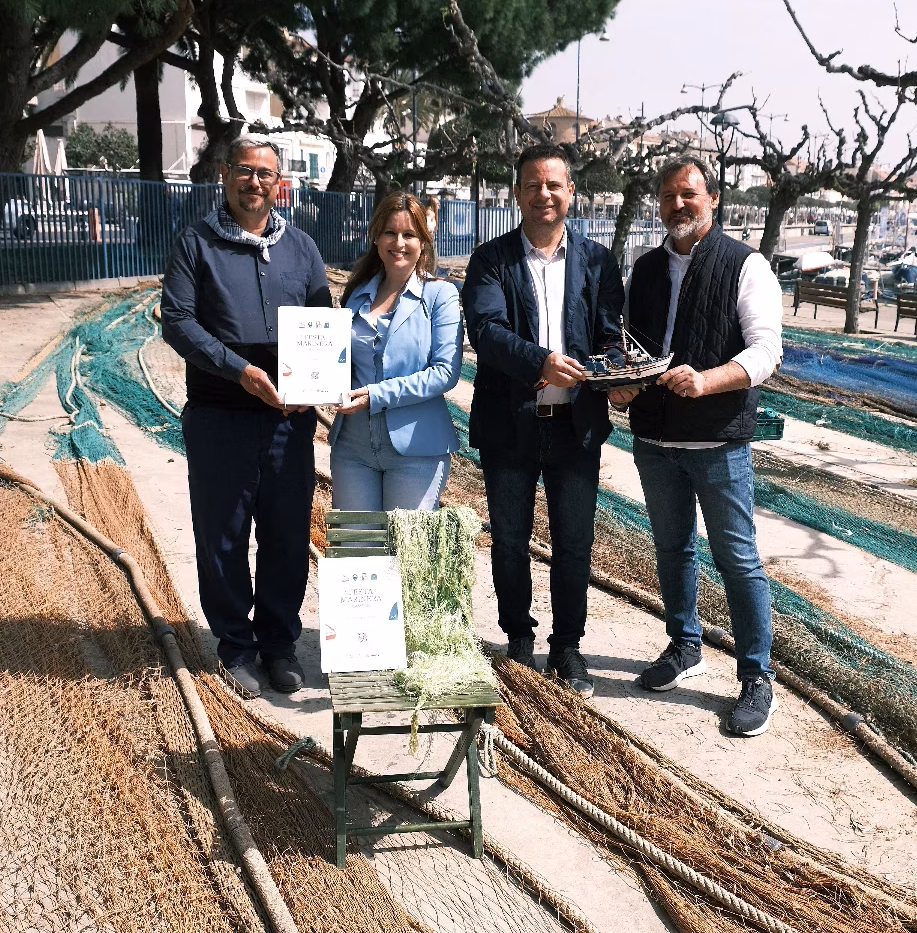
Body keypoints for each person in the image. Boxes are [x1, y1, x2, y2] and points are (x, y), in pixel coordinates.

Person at [608, 155, 783, 736]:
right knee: (673, 548)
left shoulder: (745, 265)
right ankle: (684, 644)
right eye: (667, 196)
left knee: (737, 558)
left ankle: (757, 676)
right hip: (655, 438)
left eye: (688, 194)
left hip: (717, 441)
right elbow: (629, 348)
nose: (677, 205)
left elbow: (766, 353)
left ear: (712, 199)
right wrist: (621, 387)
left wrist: (708, 380)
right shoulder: (647, 268)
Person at [160, 133, 329, 697]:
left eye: (266, 174)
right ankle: (236, 645)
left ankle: (279, 644)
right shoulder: (195, 243)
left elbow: (321, 318)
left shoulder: (301, 247)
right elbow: (179, 322)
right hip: (221, 416)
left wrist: (318, 376)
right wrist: (241, 372)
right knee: (224, 536)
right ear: (225, 175)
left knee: (285, 536)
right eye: (244, 170)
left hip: (287, 420)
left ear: (279, 184)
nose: (255, 182)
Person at [461, 143, 626, 697]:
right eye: (533, 185)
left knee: (574, 542)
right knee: (509, 539)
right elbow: (485, 332)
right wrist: (540, 361)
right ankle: (518, 637)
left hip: (575, 425)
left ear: (571, 192)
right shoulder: (490, 261)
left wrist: (615, 374)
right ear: (517, 194)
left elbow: (610, 334)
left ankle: (568, 646)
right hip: (512, 421)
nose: (544, 194)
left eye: (554, 184)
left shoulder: (599, 262)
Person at [330, 192, 462, 512]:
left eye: (409, 234)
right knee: (358, 554)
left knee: (404, 558)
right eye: (390, 232)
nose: (399, 242)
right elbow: (337, 361)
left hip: (417, 452)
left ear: (423, 242)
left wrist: (378, 394)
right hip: (352, 449)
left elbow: (445, 373)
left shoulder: (440, 295)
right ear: (376, 236)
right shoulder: (356, 293)